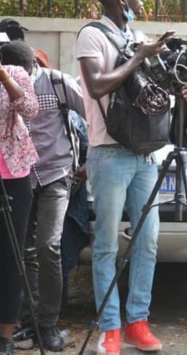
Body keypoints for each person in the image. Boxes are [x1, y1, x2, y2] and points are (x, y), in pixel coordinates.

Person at [76, 0, 187, 355]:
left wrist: (182, 89)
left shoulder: (136, 38)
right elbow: (97, 85)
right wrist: (140, 56)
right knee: (108, 244)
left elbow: (152, 95)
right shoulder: (92, 35)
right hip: (109, 151)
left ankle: (138, 322)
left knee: (148, 241)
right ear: (120, 0)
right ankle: (109, 327)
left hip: (147, 152)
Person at [0, 40, 84, 352]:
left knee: (49, 245)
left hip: (54, 174)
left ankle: (48, 323)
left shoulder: (59, 82)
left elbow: (91, 114)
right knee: (23, 251)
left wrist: (89, 160)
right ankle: (28, 320)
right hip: (20, 175)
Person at [0, 43, 39, 355]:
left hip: (12, 175)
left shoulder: (13, 72)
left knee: (11, 257)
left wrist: (2, 75)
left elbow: (29, 109)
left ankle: (5, 337)